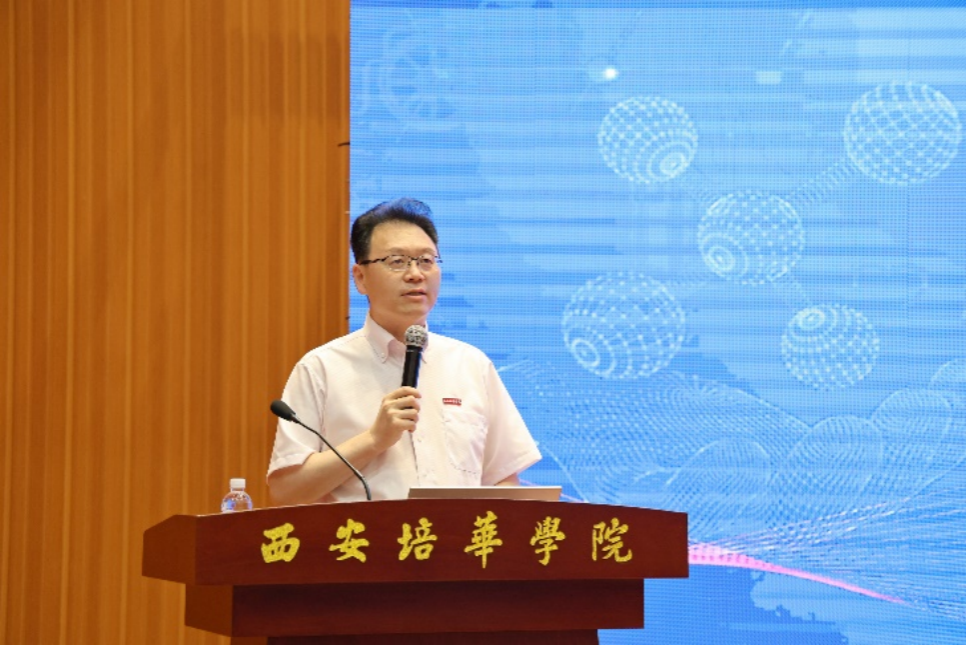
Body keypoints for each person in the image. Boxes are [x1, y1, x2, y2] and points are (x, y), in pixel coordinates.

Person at [267, 198, 541, 504]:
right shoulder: (322, 369)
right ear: (360, 278)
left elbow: (503, 478)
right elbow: (287, 491)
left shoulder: (470, 364)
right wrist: (373, 440)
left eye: (426, 261)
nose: (415, 274)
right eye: (397, 261)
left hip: (454, 536)